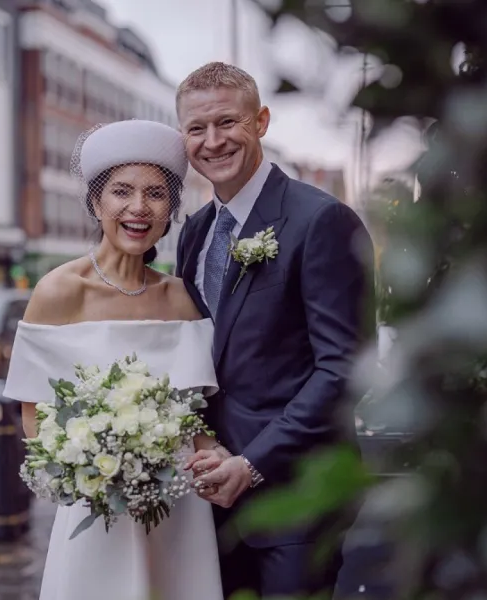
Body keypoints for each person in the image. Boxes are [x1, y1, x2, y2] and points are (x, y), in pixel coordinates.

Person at [3, 119, 226, 600]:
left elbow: (197, 419)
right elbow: (34, 412)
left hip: (178, 508)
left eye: (156, 194)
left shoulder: (182, 299)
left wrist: (218, 458)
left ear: (170, 210)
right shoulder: (60, 291)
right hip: (95, 505)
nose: (138, 208)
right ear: (96, 202)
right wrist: (87, 471)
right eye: (121, 192)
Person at [176, 62, 374, 598]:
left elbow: (346, 368)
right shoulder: (194, 233)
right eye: (196, 129)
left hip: (297, 502)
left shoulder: (321, 221)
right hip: (210, 499)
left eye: (227, 123)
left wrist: (253, 462)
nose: (212, 141)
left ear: (261, 121)